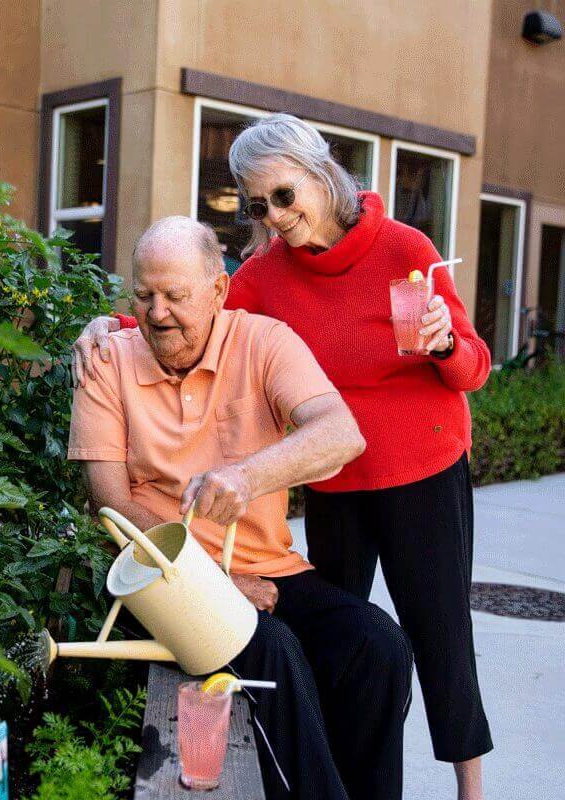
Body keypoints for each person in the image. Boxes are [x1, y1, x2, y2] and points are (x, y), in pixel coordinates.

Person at [72, 114, 493, 800]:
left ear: (321, 174)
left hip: (421, 464)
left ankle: (470, 790)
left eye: (284, 196)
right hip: (336, 482)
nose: (274, 216)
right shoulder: (266, 274)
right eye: (258, 204)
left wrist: (445, 344)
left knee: (441, 638)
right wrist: (113, 327)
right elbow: (191, 308)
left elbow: (474, 367)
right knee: (352, 647)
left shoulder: (404, 248)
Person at [68, 216, 412, 800]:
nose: (157, 313)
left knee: (377, 646)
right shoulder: (106, 361)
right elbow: (112, 503)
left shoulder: (264, 342)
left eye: (175, 296)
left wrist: (247, 476)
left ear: (219, 290)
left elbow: (341, 435)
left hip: (268, 569)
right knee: (273, 653)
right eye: (144, 295)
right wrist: (217, 582)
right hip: (158, 581)